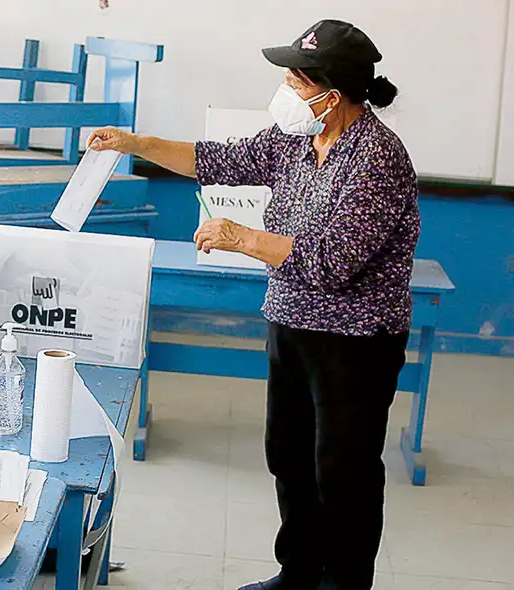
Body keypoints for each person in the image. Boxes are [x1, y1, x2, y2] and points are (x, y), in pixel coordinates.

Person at [90, 19, 416, 590]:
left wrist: (243, 237)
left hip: (355, 340)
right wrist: (135, 144)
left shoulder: (377, 160)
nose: (284, 91)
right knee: (288, 456)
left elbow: (334, 263)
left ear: (330, 92)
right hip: (290, 322)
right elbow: (217, 159)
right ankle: (298, 572)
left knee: (343, 471)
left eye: (294, 79)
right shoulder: (293, 139)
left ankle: (341, 583)